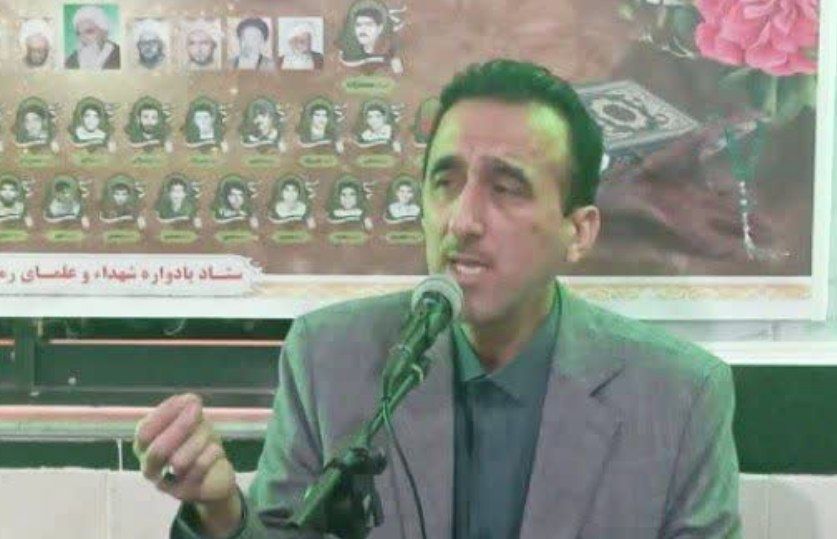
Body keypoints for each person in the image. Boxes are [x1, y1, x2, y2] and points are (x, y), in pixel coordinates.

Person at [136, 59, 740, 538]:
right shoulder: (330, 357)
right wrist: (220, 510)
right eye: (444, 183)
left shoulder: (679, 397)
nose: (462, 220)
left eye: (506, 188)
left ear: (578, 231)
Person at [336, 0, 404, 73]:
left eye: (368, 24)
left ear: (380, 28)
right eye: (358, 25)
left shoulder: (390, 53)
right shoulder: (348, 56)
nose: (363, 29)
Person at [64, 5, 121, 70]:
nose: (83, 39)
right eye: (79, 34)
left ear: (104, 34)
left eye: (89, 32)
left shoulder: (120, 56)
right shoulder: (71, 61)